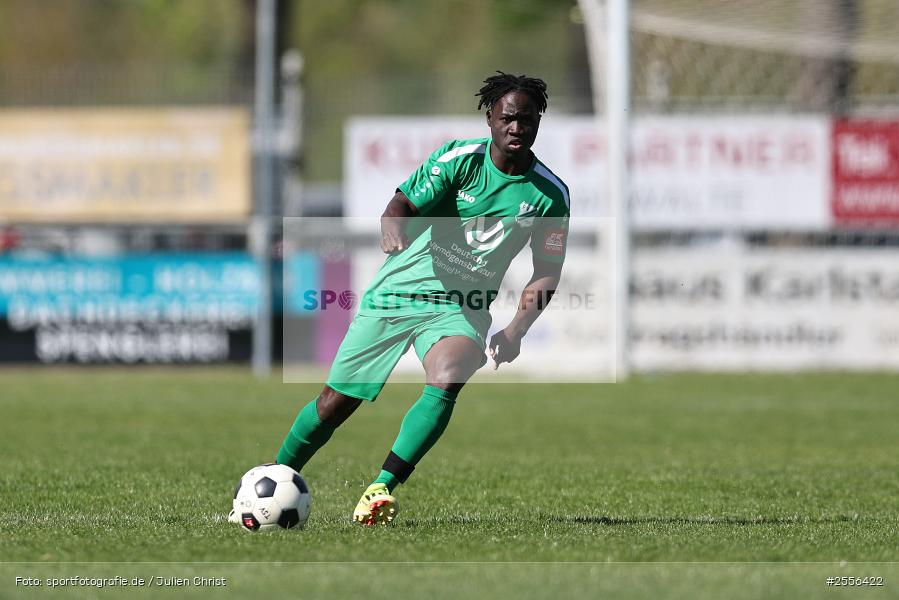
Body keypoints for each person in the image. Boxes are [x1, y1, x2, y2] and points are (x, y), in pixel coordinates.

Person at [277, 72, 569, 526]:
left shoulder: (550, 195)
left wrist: (514, 330)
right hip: (400, 289)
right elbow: (401, 205)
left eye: (527, 120)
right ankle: (278, 475)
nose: (517, 128)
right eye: (508, 118)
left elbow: (546, 272)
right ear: (489, 117)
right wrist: (392, 226)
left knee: (449, 375)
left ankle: (380, 489)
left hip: (463, 304)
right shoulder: (458, 159)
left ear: (538, 122)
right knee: (336, 402)